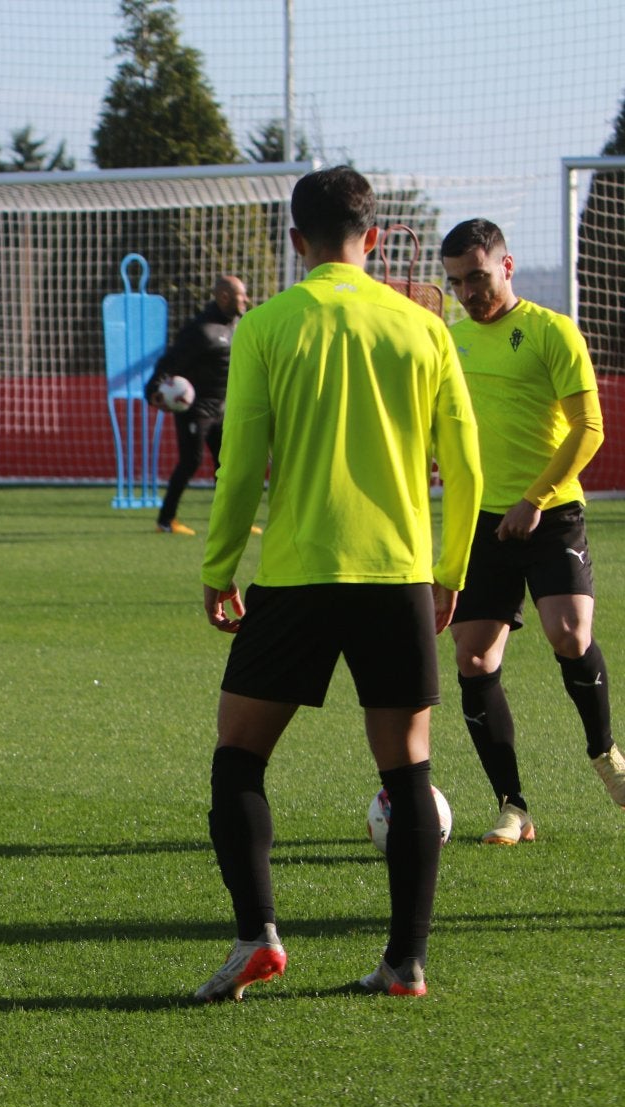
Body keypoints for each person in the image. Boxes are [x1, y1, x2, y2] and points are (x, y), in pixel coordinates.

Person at [195, 166, 481, 1001]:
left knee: (238, 756)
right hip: (396, 575)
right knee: (408, 770)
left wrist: (219, 569)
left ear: (295, 242)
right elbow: (464, 465)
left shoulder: (268, 325)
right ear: (376, 237)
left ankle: (258, 937)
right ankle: (406, 962)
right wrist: (450, 571)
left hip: (298, 575)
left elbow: (242, 460)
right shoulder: (426, 328)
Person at [438, 218, 624, 846]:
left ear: (507, 265)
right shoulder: (450, 342)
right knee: (473, 657)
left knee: (569, 632)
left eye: (479, 277)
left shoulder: (551, 331)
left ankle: (606, 755)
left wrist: (534, 498)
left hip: (550, 513)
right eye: (458, 282)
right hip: (480, 521)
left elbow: (589, 427)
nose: (469, 291)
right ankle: (512, 807)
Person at [149, 275, 249, 535]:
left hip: (222, 409)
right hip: (195, 410)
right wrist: (152, 390)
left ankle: (233, 521)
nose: (246, 300)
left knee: (227, 465)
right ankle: (165, 520)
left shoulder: (237, 324)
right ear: (224, 297)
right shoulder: (201, 330)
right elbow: (169, 361)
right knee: (190, 462)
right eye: (241, 296)